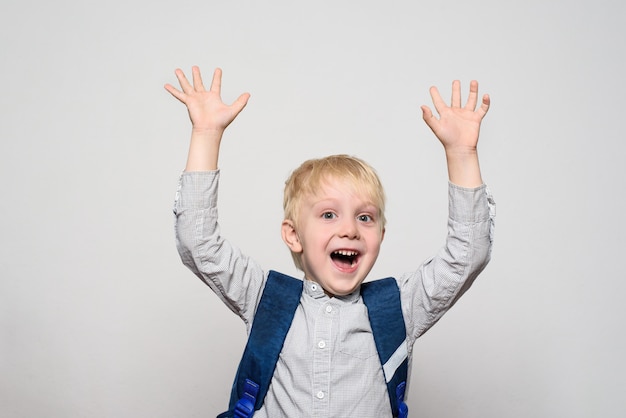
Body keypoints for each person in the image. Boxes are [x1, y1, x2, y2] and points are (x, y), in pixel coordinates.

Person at [165, 66, 495, 418]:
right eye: (328, 215)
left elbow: (468, 253)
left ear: (380, 236)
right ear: (294, 235)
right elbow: (197, 243)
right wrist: (206, 135)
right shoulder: (263, 297)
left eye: (365, 217)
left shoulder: (401, 307)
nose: (350, 229)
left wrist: (462, 155)